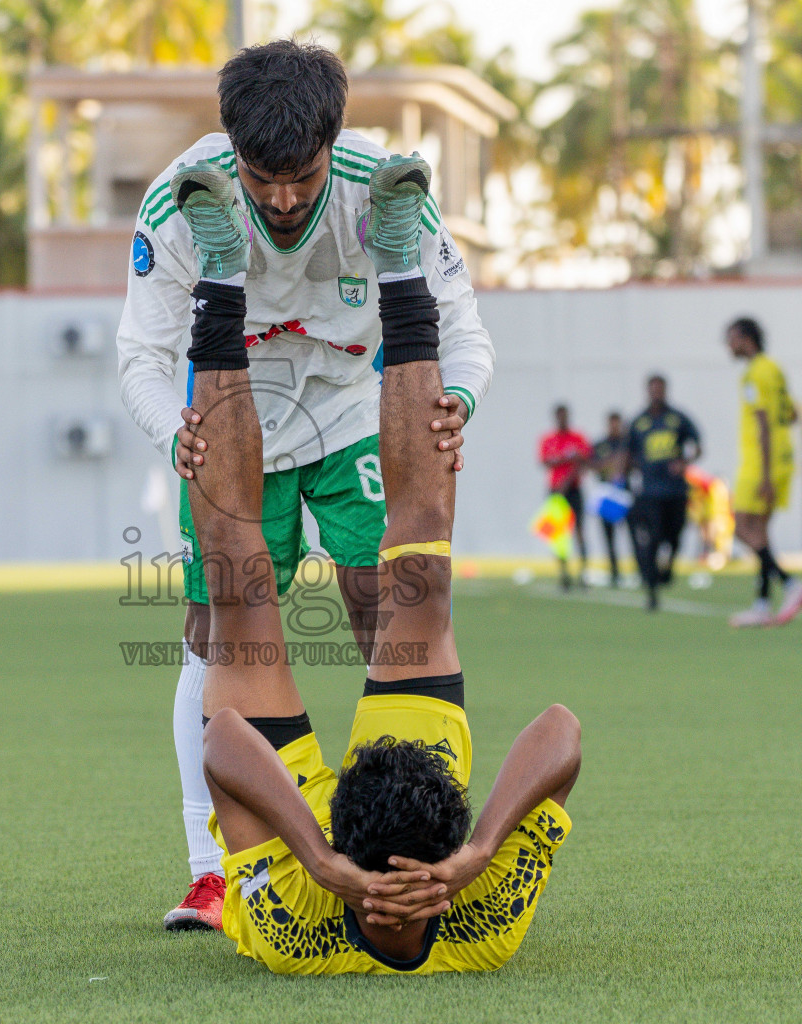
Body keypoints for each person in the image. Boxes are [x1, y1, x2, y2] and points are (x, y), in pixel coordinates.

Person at [115, 39, 494, 931]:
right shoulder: (182, 200)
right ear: (229, 152)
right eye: (259, 177)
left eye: (302, 175)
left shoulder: (383, 185)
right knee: (219, 629)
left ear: (334, 144)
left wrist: (457, 402)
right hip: (231, 413)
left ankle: (396, 846)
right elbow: (140, 356)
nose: (282, 200)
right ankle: (213, 868)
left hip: (357, 408)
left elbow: (466, 329)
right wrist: (175, 435)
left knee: (391, 603)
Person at [178, 163, 579, 973]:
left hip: (314, 839)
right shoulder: (484, 924)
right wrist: (478, 850)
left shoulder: (299, 923)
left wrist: (321, 860)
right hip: (406, 800)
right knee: (409, 555)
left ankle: (222, 275)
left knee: (237, 576)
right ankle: (397, 259)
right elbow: (559, 729)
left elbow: (223, 741)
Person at [725, 317, 802, 627]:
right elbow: (792, 414)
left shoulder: (753, 375)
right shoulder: (774, 369)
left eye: (732, 339)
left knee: (740, 528)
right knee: (761, 534)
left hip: (760, 463)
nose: (729, 345)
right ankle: (762, 605)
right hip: (783, 457)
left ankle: (792, 585)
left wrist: (764, 474)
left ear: (747, 339)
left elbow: (762, 421)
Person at [625, 375, 701, 612]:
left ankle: (667, 568)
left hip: (676, 491)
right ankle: (652, 590)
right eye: (653, 389)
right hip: (650, 493)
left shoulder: (677, 419)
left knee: (675, 535)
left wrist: (685, 463)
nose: (657, 393)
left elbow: (697, 445)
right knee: (653, 539)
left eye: (660, 389)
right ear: (647, 391)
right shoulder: (638, 423)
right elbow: (627, 454)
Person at [538, 404, 591, 590]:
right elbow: (545, 461)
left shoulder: (577, 437)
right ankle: (564, 573)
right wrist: (568, 458)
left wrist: (567, 466)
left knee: (579, 531)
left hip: (574, 490)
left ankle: (584, 573)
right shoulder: (549, 439)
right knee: (558, 534)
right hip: (555, 491)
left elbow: (584, 460)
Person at [590, 411, 629, 587]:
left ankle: (643, 570)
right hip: (606, 495)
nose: (615, 427)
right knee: (608, 536)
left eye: (617, 423)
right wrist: (610, 463)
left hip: (624, 495)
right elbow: (592, 465)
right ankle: (614, 572)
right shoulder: (600, 444)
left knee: (633, 533)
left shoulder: (626, 443)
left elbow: (632, 463)